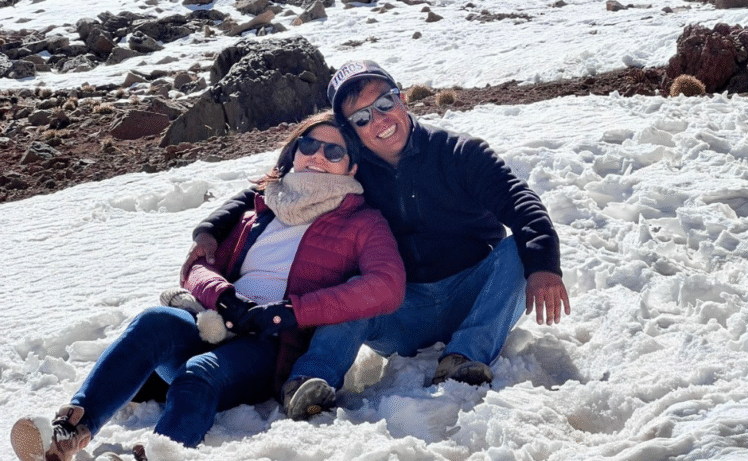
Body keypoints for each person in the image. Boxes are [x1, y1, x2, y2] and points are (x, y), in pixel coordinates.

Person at [10, 111, 405, 461]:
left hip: (270, 347)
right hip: (218, 321)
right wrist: (224, 296)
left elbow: (387, 285)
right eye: (310, 145)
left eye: (333, 152)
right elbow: (198, 265)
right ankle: (69, 433)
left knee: (199, 372)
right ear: (295, 151)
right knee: (154, 321)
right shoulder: (262, 205)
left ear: (352, 167)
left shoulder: (363, 222)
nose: (317, 156)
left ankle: (158, 455)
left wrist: (288, 312)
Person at [181, 60, 570, 413]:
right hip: (402, 309)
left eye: (384, 103)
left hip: (475, 297)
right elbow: (273, 186)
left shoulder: (458, 152)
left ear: (402, 99)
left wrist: (545, 268)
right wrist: (211, 230)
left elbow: (521, 201)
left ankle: (464, 357)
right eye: (362, 117)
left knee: (520, 249)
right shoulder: (349, 167)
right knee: (356, 288)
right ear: (351, 130)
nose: (379, 120)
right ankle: (309, 380)